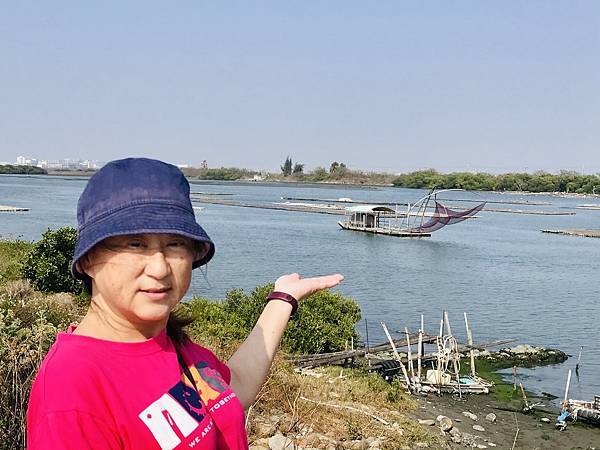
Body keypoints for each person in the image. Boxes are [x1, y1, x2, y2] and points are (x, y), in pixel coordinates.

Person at [26, 157, 343, 449]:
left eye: (175, 244)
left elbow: (237, 387)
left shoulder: (171, 345)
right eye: (136, 244)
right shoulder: (71, 391)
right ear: (88, 261)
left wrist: (282, 298)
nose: (160, 268)